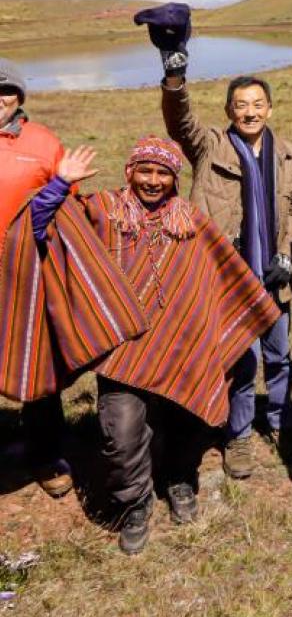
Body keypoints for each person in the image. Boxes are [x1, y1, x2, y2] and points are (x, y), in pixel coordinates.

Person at [6, 136, 278, 554]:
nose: (153, 181)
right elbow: (37, 226)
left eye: (163, 173)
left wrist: (240, 316)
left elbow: (225, 277)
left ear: (174, 177)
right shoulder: (103, 211)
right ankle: (136, 501)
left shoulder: (191, 221)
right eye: (145, 171)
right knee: (121, 431)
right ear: (130, 171)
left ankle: (180, 479)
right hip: (121, 354)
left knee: (191, 417)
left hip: (184, 348)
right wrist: (59, 185)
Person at [140, 3, 292, 480]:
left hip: (274, 274)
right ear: (230, 112)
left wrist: (285, 250)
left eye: (258, 105)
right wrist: (175, 72)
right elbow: (179, 122)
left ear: (269, 109)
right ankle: (239, 436)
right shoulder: (209, 144)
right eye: (241, 106)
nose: (250, 112)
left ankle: (278, 420)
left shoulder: (291, 155)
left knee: (279, 354)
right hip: (226, 276)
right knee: (239, 358)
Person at [0, 58, 73, 498]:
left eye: (5, 91)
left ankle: (45, 456)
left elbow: (70, 208)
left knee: (34, 361)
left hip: (27, 272)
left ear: (19, 97)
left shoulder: (42, 142)